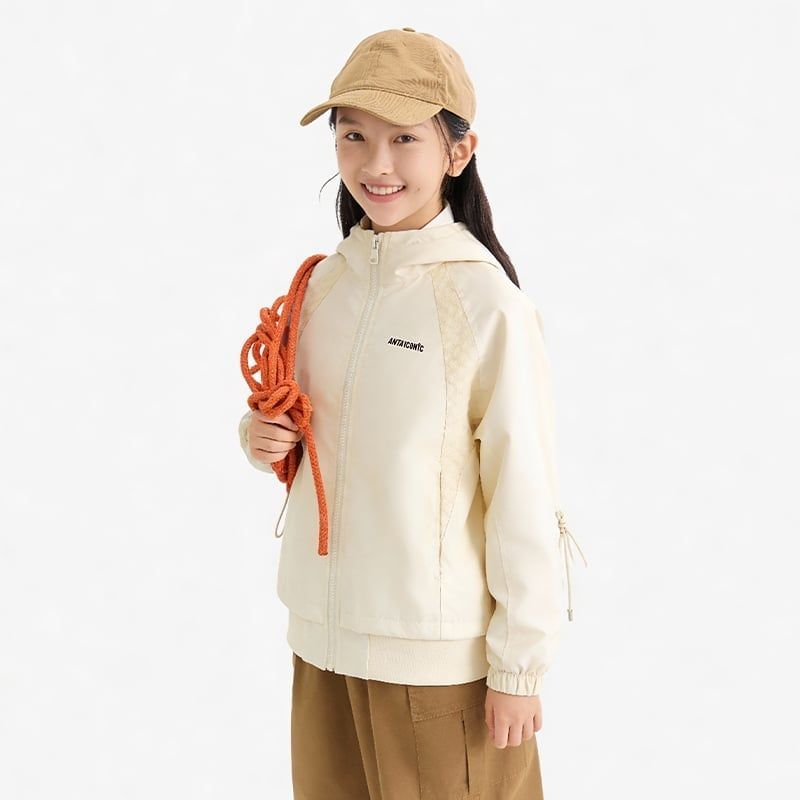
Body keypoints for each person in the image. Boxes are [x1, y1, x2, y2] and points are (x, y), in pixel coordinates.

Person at [238, 27, 587, 800]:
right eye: (353, 135)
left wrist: (520, 668)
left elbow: (523, 491)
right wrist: (258, 437)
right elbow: (308, 427)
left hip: (437, 665)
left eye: (404, 138)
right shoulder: (322, 285)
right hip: (322, 645)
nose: (376, 164)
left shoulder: (484, 303)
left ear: (458, 152)